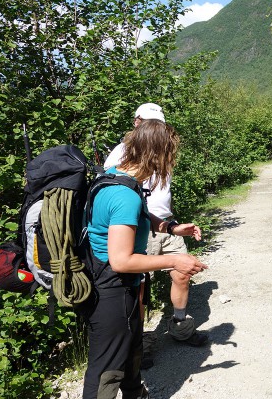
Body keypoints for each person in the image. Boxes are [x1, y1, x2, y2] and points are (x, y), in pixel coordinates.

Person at [83, 119, 208, 399]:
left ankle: (136, 393)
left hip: (120, 287)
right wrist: (175, 261)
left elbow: (137, 215)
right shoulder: (123, 194)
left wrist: (171, 228)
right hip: (111, 290)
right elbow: (122, 260)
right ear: (156, 155)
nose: (170, 164)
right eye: (169, 156)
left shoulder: (119, 177)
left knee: (130, 352)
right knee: (106, 370)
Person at [104, 103, 208, 358]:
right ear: (136, 122)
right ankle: (139, 343)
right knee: (138, 286)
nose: (153, 127)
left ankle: (181, 328)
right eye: (148, 122)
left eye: (157, 123)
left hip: (164, 222)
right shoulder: (121, 152)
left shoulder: (160, 150)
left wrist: (171, 225)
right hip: (136, 225)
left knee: (182, 274)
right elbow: (113, 190)